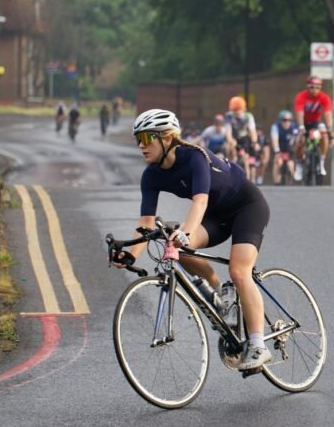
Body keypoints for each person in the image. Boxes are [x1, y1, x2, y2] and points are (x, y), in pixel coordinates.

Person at [110, 109, 272, 370]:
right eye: (137, 139)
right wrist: (130, 253)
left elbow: (201, 200)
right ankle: (221, 293)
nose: (142, 145)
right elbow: (146, 224)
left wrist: (185, 232)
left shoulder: (194, 157)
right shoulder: (151, 175)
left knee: (239, 271)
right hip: (216, 216)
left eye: (147, 137)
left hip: (247, 206)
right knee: (180, 251)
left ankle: (258, 345)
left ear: (167, 138)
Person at [293, 76, 334, 177]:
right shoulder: (301, 96)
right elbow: (300, 113)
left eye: (317, 87)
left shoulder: (325, 98)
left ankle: (321, 162)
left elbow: (328, 114)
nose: (314, 90)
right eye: (312, 87)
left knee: (324, 136)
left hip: (315, 122)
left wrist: (329, 128)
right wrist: (302, 127)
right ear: (307, 87)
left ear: (320, 88)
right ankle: (299, 165)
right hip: (303, 122)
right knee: (300, 141)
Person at [227, 95, 259, 177]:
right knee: (230, 150)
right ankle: (230, 170)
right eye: (235, 110)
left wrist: (254, 142)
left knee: (245, 158)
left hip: (244, 138)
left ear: (244, 109)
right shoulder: (229, 116)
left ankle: (247, 178)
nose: (237, 112)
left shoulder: (248, 116)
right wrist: (231, 141)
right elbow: (228, 131)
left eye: (239, 110)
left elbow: (252, 130)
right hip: (233, 138)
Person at [269, 110, 299, 184]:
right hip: (280, 148)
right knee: (278, 162)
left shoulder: (294, 127)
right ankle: (277, 182)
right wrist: (276, 150)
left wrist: (296, 149)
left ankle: (291, 182)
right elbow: (274, 139)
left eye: (289, 120)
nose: (286, 122)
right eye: (284, 120)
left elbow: (297, 139)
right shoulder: (275, 126)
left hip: (290, 149)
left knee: (291, 164)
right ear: (280, 121)